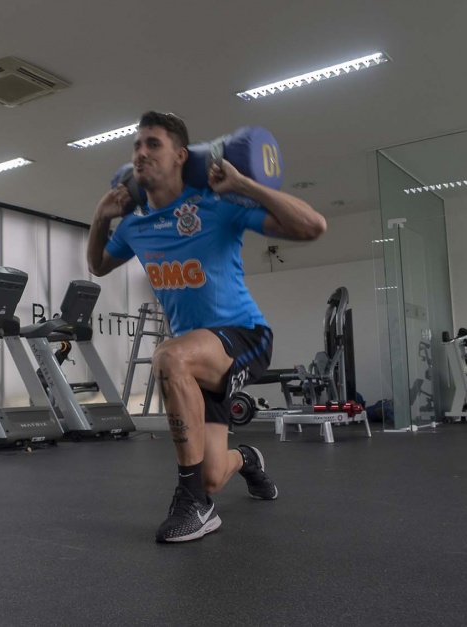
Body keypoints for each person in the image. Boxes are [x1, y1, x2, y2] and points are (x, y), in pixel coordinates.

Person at [87, 111, 327, 543]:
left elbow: (314, 227)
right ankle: (246, 459)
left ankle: (193, 504)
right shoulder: (137, 226)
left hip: (244, 335)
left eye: (153, 144)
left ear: (181, 155)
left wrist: (244, 186)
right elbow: (99, 265)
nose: (141, 152)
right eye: (136, 145)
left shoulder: (217, 205)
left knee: (169, 356)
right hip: (197, 357)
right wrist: (101, 217)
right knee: (214, 474)